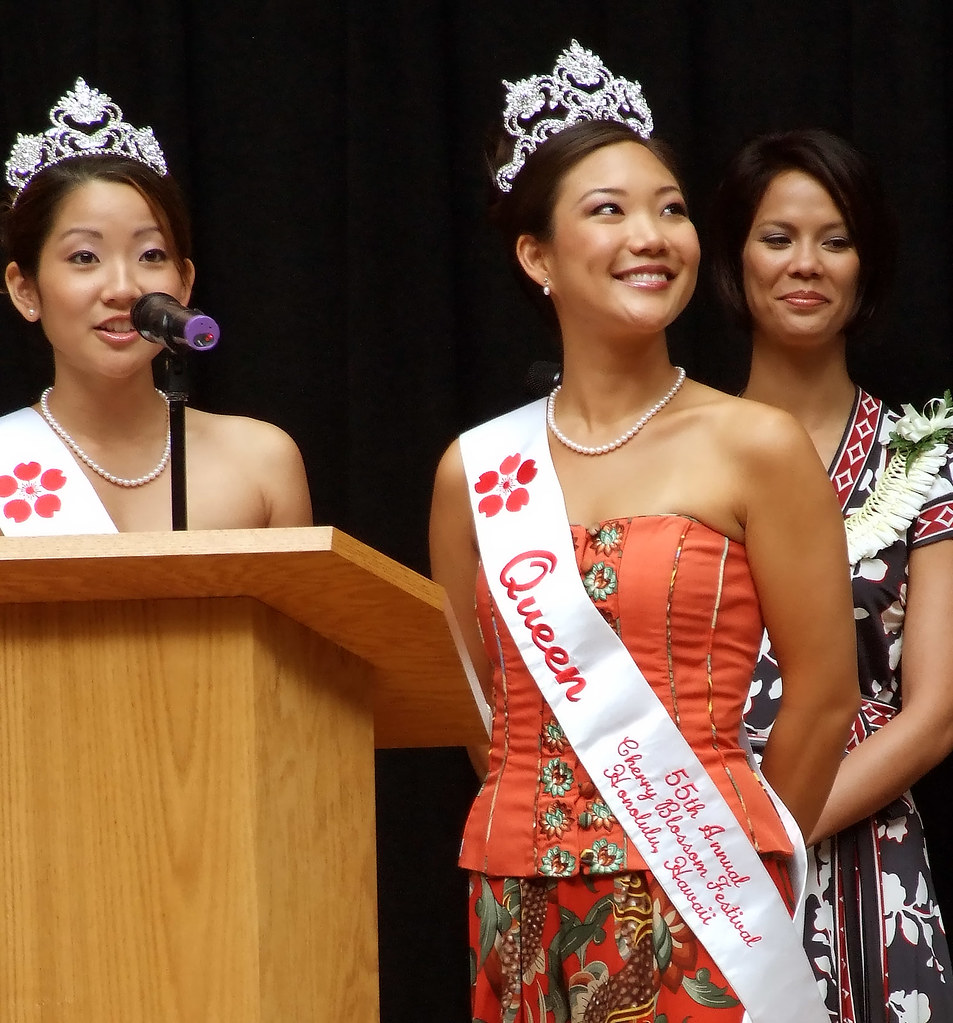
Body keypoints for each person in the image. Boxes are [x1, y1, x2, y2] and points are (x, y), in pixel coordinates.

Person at [430, 43, 859, 1023]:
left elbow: (824, 699)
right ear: (535, 255)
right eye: (608, 210)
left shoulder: (753, 444)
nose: (652, 235)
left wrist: (740, 855)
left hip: (708, 897)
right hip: (518, 895)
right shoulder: (473, 472)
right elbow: (473, 703)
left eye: (669, 208)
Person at [709, 128, 953, 1023]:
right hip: (687, 837)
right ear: (734, 258)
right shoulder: (675, 449)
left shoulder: (925, 455)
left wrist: (769, 836)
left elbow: (934, 713)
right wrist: (710, 846)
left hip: (861, 851)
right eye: (776, 238)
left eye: (835, 239)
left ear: (866, 265)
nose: (804, 264)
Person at [0, 79, 312, 535]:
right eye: (84, 257)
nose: (124, 289)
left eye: (150, 255)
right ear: (24, 289)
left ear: (184, 283)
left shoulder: (261, 463)